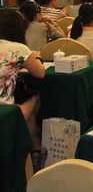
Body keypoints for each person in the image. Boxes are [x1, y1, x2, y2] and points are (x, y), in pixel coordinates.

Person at [0, 9, 46, 172]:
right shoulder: (18, 48)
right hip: (5, 112)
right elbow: (40, 73)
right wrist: (37, 56)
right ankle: (35, 151)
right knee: (35, 97)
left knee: (27, 108)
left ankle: (34, 149)